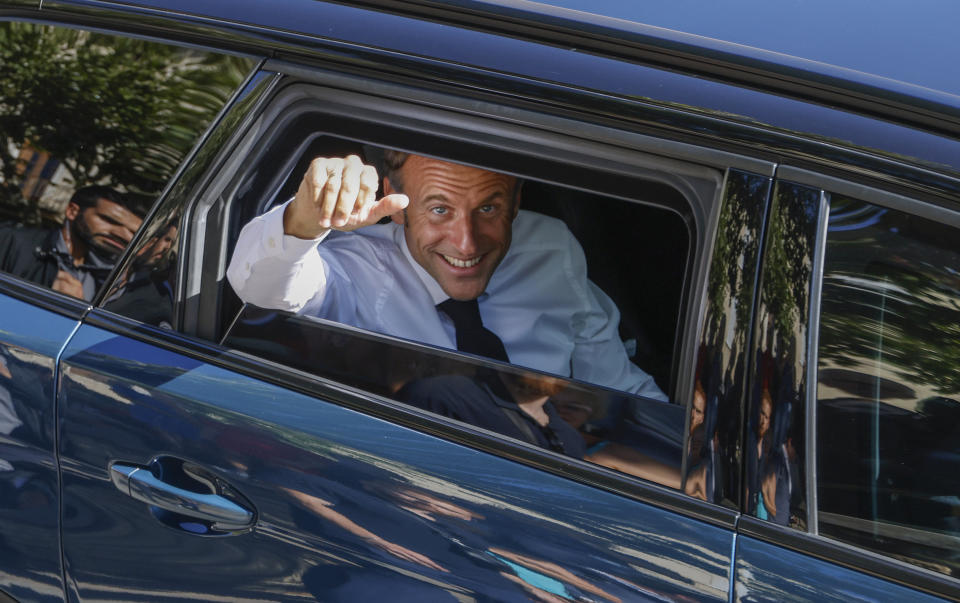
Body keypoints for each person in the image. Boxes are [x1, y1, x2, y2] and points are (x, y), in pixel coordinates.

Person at [227, 152, 666, 399]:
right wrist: (304, 220)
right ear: (395, 202)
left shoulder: (552, 248)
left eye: (488, 209)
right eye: (440, 210)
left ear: (516, 205)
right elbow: (261, 288)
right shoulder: (354, 268)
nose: (467, 244)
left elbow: (615, 381)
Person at [0, 185, 142, 300]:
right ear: (72, 211)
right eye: (109, 221)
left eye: (133, 232)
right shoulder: (13, 242)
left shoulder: (116, 279)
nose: (123, 235)